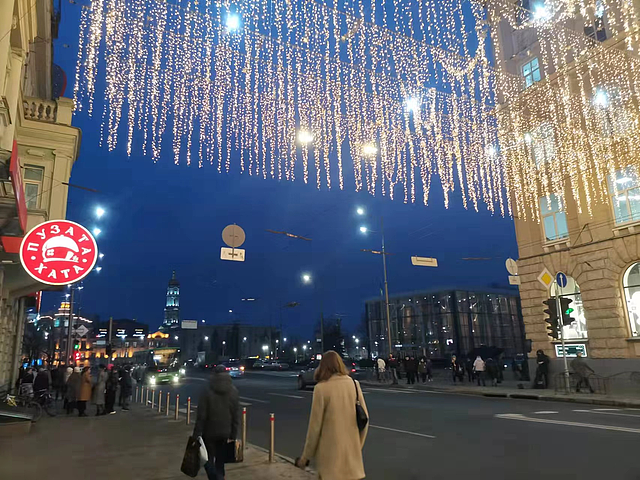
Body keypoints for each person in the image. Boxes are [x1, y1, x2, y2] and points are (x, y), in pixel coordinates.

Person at [296, 351, 369, 479]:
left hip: (330, 465)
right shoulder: (354, 385)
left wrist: (305, 458)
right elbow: (364, 421)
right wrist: (357, 446)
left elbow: (315, 428)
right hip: (353, 465)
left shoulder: (321, 389)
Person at [193, 365, 240, 480]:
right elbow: (235, 416)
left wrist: (196, 434)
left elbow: (201, 415)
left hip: (209, 432)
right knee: (220, 459)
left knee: (207, 459)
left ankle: (214, 476)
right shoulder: (233, 391)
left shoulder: (207, 390)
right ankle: (220, 476)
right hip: (226, 432)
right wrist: (233, 435)